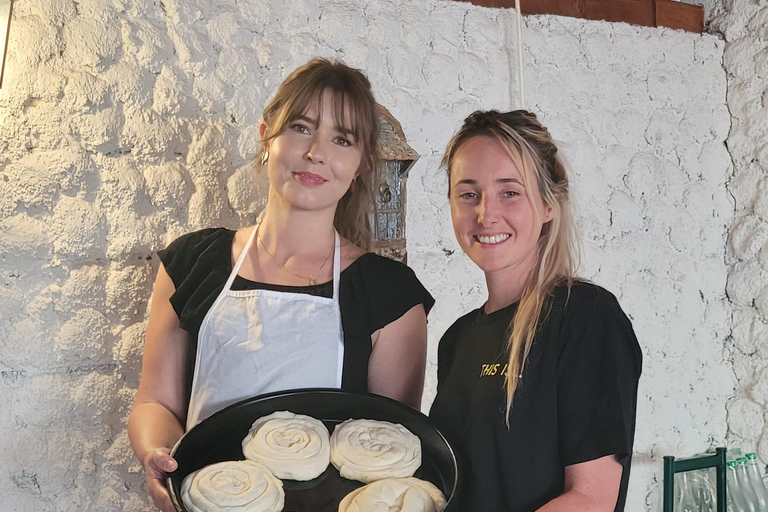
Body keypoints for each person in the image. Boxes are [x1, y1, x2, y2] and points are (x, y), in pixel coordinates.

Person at [128, 58, 434, 512]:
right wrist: (158, 456)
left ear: (359, 165)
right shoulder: (193, 262)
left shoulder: (390, 294)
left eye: (341, 139)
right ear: (266, 136)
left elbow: (386, 454)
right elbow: (156, 401)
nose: (316, 152)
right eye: (301, 127)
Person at [429, 110, 642, 512]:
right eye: (468, 193)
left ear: (548, 203)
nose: (485, 213)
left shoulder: (586, 318)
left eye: (510, 191)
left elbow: (590, 499)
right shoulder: (456, 341)